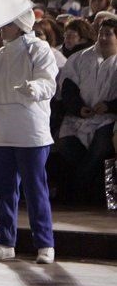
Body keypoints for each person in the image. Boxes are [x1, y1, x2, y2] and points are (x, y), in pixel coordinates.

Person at [0, 10, 58, 264]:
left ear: (19, 25)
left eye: (7, 23)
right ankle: (5, 242)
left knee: (35, 188)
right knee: (5, 190)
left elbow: (49, 82)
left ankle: (44, 243)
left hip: (31, 131)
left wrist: (35, 88)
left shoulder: (39, 50)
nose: (2, 28)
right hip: (1, 132)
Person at [53, 17, 117, 203]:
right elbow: (68, 88)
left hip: (108, 119)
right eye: (101, 33)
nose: (103, 38)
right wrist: (79, 108)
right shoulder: (81, 58)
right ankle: (92, 191)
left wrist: (109, 106)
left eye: (108, 34)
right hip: (79, 118)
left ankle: (77, 191)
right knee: (66, 146)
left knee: (100, 148)